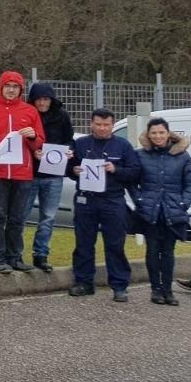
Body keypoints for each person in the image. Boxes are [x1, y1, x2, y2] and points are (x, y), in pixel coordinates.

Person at [64, 109, 141, 302]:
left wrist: (116, 169)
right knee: (83, 242)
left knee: (115, 243)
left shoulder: (123, 146)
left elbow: (134, 172)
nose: (102, 128)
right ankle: (83, 282)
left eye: (106, 125)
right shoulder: (80, 144)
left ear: (112, 125)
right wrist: (74, 170)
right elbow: (67, 167)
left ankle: (119, 285)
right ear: (91, 124)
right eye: (98, 124)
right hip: (86, 199)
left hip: (113, 200)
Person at [0, 71, 45, 274]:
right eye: (8, 85)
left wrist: (32, 137)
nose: (11, 89)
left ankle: (15, 257)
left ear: (21, 90)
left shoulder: (30, 111)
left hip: (22, 172)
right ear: (1, 87)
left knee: (17, 217)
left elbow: (40, 141)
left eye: (16, 86)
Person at [131, 118, 191, 306]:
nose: (158, 136)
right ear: (148, 135)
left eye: (161, 132)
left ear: (169, 134)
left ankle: (167, 290)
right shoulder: (141, 155)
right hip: (150, 210)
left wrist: (184, 202)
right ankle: (155, 289)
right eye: (154, 133)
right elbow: (132, 182)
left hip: (173, 209)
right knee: (152, 251)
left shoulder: (182, 156)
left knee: (168, 251)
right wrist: (139, 200)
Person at [24, 83, 74, 274]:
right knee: (21, 215)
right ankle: (16, 253)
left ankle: (41, 254)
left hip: (54, 174)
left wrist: (69, 151)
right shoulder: (27, 116)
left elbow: (69, 139)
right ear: (33, 100)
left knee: (48, 216)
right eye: (39, 99)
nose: (43, 102)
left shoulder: (61, 116)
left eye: (46, 99)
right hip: (30, 173)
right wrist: (32, 150)